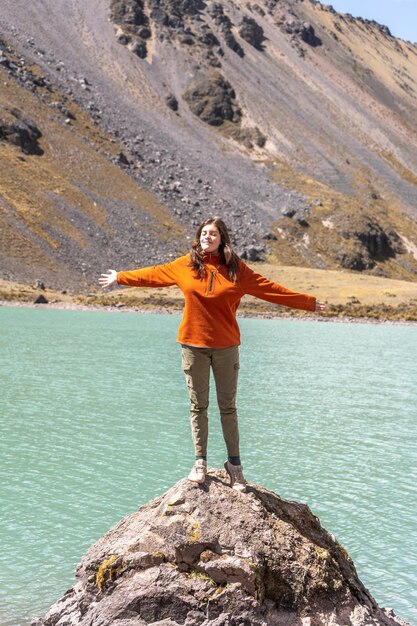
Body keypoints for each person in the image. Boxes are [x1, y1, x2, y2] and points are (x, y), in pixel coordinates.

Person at [99, 217, 326, 492]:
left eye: (213, 234)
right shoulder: (184, 265)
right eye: (204, 233)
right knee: (199, 406)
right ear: (199, 237)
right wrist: (121, 277)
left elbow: (270, 289)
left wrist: (309, 303)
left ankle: (235, 466)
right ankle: (200, 462)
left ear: (222, 239)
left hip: (226, 348)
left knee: (228, 407)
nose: (207, 237)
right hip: (192, 346)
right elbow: (154, 275)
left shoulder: (236, 270)